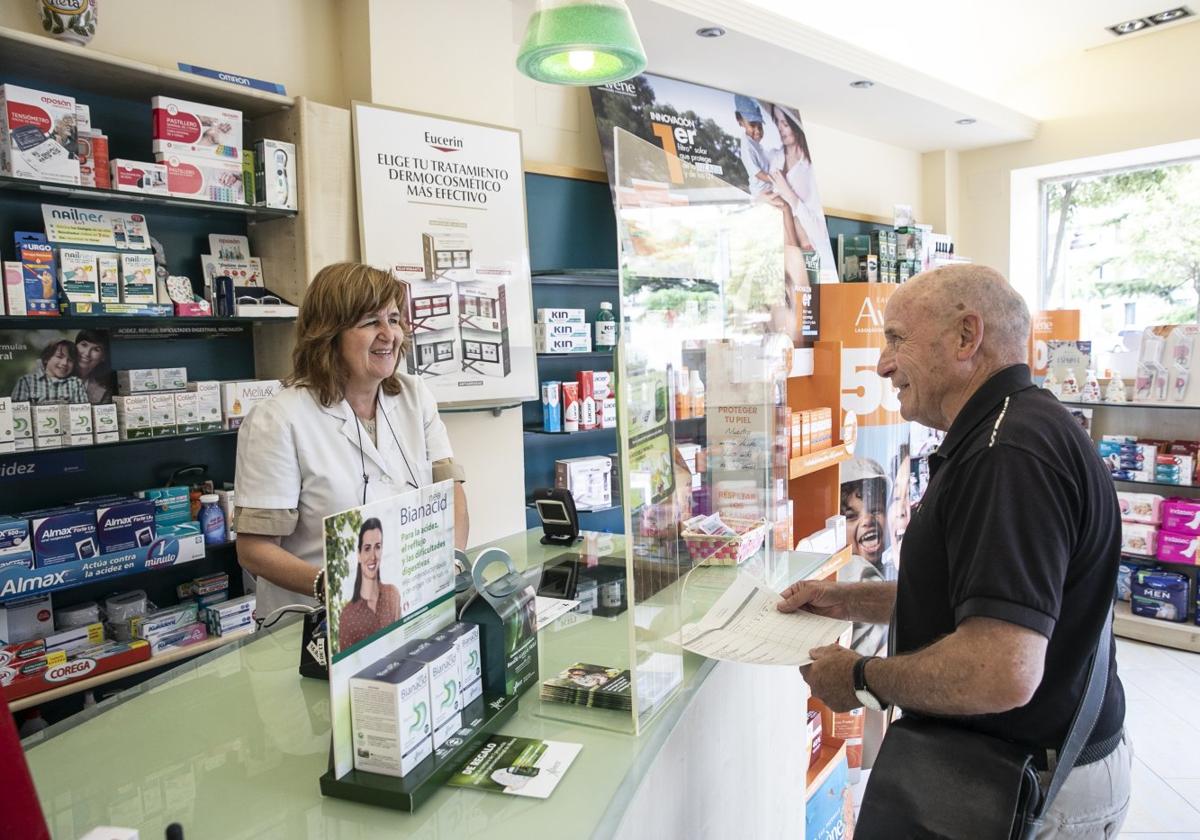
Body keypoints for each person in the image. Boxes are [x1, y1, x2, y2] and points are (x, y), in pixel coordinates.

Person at [779, 265, 1129, 837]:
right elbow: (971, 594)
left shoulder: (1007, 455)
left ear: (967, 337)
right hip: (1028, 768)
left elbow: (1002, 671)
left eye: (897, 340)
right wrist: (844, 599)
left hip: (1031, 789)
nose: (882, 365)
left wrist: (863, 678)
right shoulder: (1017, 426)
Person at [234, 262, 470, 620]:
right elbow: (254, 550)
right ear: (329, 334)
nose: (388, 334)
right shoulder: (279, 419)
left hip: (408, 608)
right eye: (370, 322)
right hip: (312, 625)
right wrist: (337, 585)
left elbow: (451, 490)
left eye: (393, 319)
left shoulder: (414, 396)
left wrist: (446, 567)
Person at [765, 103, 837, 282]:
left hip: (810, 254)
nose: (780, 129)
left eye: (785, 123)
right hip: (781, 248)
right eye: (777, 122)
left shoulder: (809, 169)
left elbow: (819, 229)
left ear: (795, 125)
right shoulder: (774, 158)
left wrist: (789, 195)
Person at [336, 518, 399, 651]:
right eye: (367, 548)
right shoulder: (348, 616)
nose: (373, 556)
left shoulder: (392, 595)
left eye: (377, 547)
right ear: (359, 555)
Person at [11, 339, 89, 404]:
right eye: (59, 357)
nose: (65, 363)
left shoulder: (75, 383)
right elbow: (17, 413)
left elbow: (83, 412)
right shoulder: (26, 382)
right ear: (46, 358)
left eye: (70, 360)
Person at [733, 94, 773, 199]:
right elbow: (758, 173)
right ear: (740, 121)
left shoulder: (756, 145)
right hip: (761, 192)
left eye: (760, 126)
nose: (758, 131)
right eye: (752, 125)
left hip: (768, 188)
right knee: (786, 206)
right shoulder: (747, 147)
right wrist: (775, 179)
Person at [74, 329, 113, 403]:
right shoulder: (54, 375)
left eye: (96, 349)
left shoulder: (105, 390)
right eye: (84, 345)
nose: (87, 353)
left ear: (103, 357)